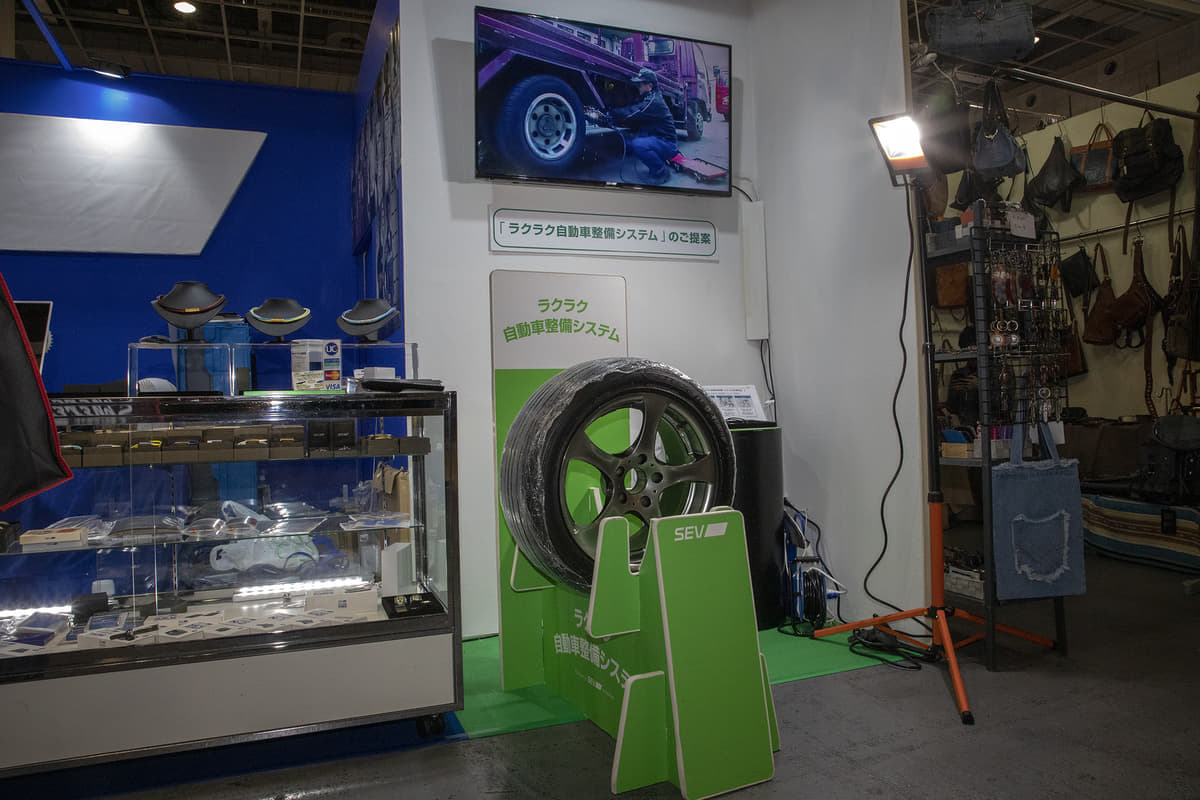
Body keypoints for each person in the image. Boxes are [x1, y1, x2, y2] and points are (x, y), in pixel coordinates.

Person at [589, 68, 679, 184]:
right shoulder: (650, 97)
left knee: (638, 144)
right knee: (629, 142)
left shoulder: (654, 101)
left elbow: (634, 112)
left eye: (640, 84)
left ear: (649, 86)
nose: (638, 87)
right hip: (659, 139)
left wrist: (610, 113)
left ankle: (660, 172)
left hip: (668, 143)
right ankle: (658, 159)